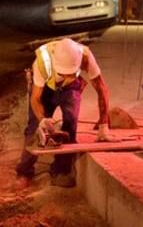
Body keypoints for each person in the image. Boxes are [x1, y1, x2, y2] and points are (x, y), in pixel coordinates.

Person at [15, 37, 114, 187]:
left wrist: (103, 126)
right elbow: (35, 99)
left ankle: (61, 170)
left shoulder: (85, 56)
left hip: (71, 88)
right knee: (33, 128)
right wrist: (43, 119)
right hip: (46, 88)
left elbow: (102, 89)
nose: (67, 77)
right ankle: (24, 171)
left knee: (70, 125)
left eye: (71, 73)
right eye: (65, 74)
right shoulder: (42, 63)